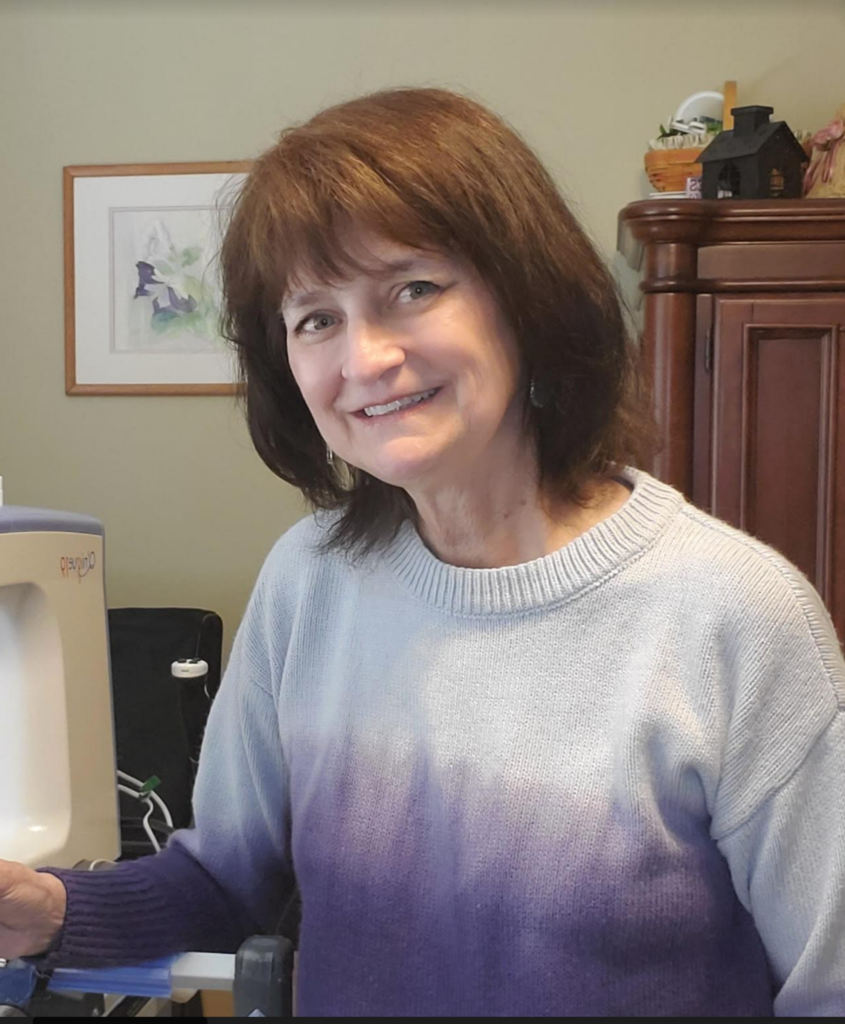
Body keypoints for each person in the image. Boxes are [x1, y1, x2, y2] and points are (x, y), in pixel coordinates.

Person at [2, 87, 844, 1017]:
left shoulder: (738, 616)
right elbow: (225, 877)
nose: (364, 359)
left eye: (413, 289)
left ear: (526, 301)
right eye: (316, 318)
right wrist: (45, 910)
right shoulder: (305, 581)